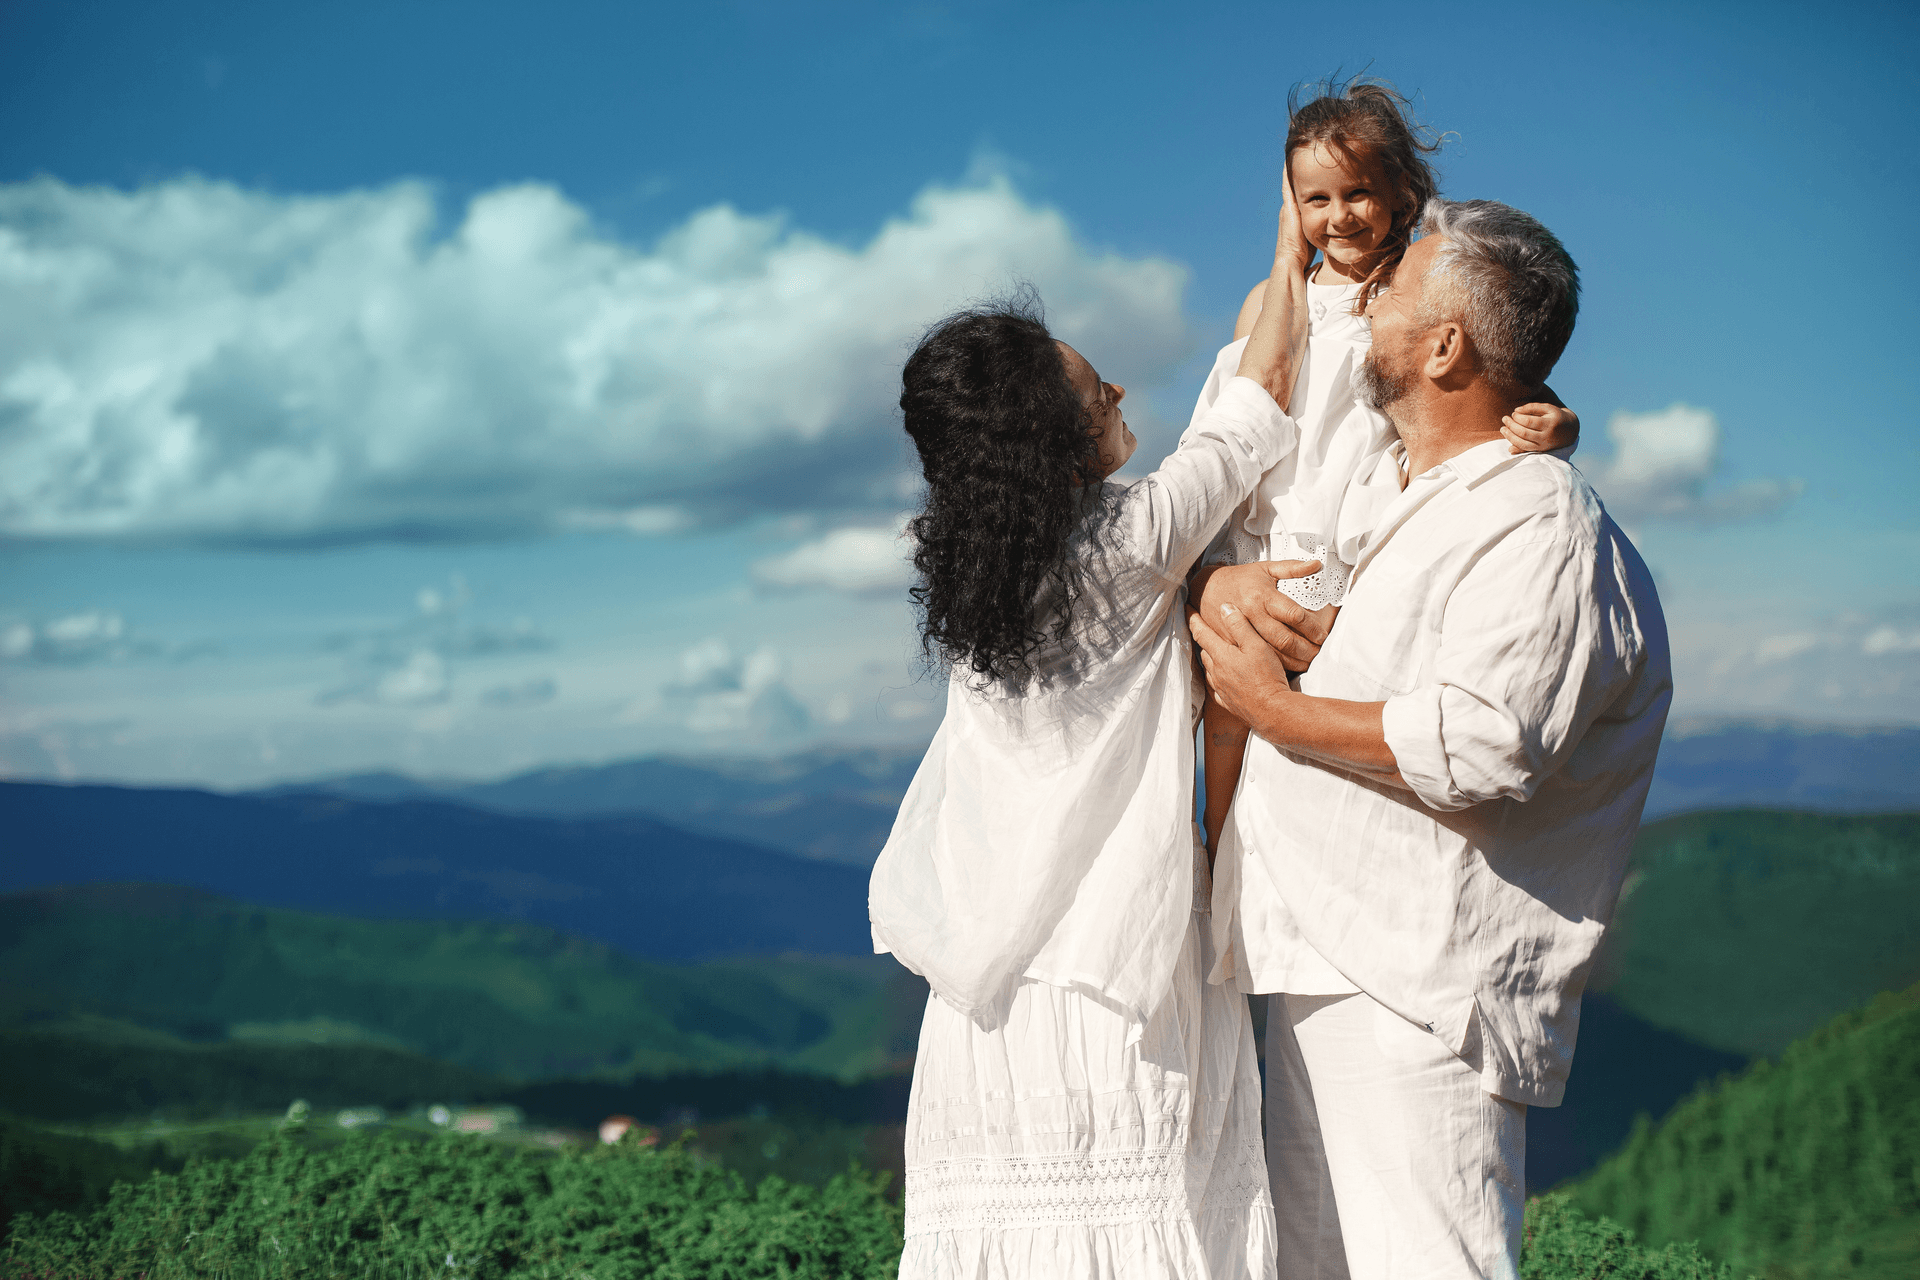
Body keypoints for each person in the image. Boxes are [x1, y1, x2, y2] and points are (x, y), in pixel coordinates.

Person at [1190, 198, 1672, 1279]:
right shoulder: (1400, 488)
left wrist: (1275, 709)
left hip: (1418, 979)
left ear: (1447, 344)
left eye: (1391, 295)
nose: (1364, 312)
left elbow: (1486, 741)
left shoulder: (1539, 521)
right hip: (1321, 944)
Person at [869, 188, 1315, 1279]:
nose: (1117, 387)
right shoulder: (1131, 544)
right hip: (1123, 988)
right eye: (1091, 388)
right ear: (1054, 447)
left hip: (985, 1010)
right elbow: (1255, 397)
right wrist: (1289, 241)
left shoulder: (972, 582)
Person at [1193, 78, 1580, 860]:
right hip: (1267, 521)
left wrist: (1562, 422)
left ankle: (1272, 845)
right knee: (1224, 704)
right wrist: (1283, 262)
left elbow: (1501, 371)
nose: (1338, 217)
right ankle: (1217, 839)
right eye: (1316, 199)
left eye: (1359, 193)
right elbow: (1241, 409)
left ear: (1402, 193)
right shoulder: (1272, 301)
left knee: (1312, 684)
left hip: (1348, 529)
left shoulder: (1418, 286)